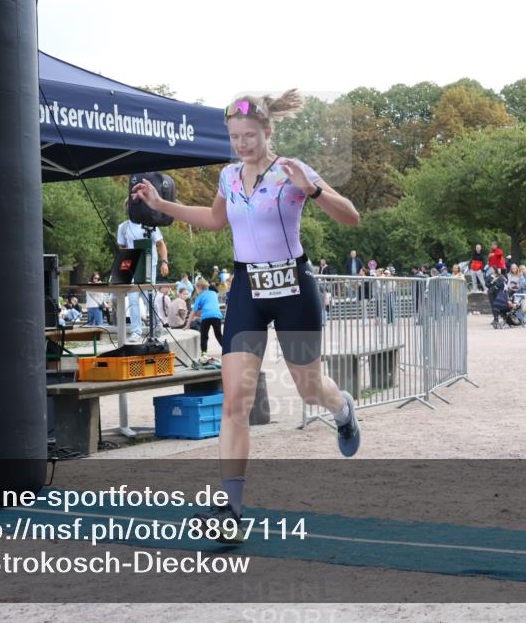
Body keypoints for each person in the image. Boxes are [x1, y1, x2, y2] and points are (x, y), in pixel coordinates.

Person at [131, 90, 363, 542]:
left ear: (268, 132)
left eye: (250, 136)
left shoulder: (292, 171)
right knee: (235, 401)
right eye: (235, 137)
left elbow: (351, 217)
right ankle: (230, 510)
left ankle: (343, 408)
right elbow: (216, 220)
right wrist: (161, 208)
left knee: (309, 388)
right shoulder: (228, 176)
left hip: (294, 286)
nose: (242, 144)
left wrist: (312, 191)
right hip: (247, 288)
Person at [117, 211, 169, 341]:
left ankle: (157, 324)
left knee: (148, 297)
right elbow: (122, 248)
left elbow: (161, 244)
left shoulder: (149, 225)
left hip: (148, 263)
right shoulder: (123, 227)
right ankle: (136, 331)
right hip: (132, 265)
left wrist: (164, 262)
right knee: (133, 299)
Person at [188, 278, 223, 358]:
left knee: (204, 335)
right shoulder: (213, 293)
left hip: (206, 316)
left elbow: (192, 313)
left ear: (198, 287)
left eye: (196, 289)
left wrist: (187, 325)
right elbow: (214, 289)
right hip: (216, 315)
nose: (196, 291)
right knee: (218, 335)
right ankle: (227, 350)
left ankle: (204, 353)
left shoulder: (199, 297)